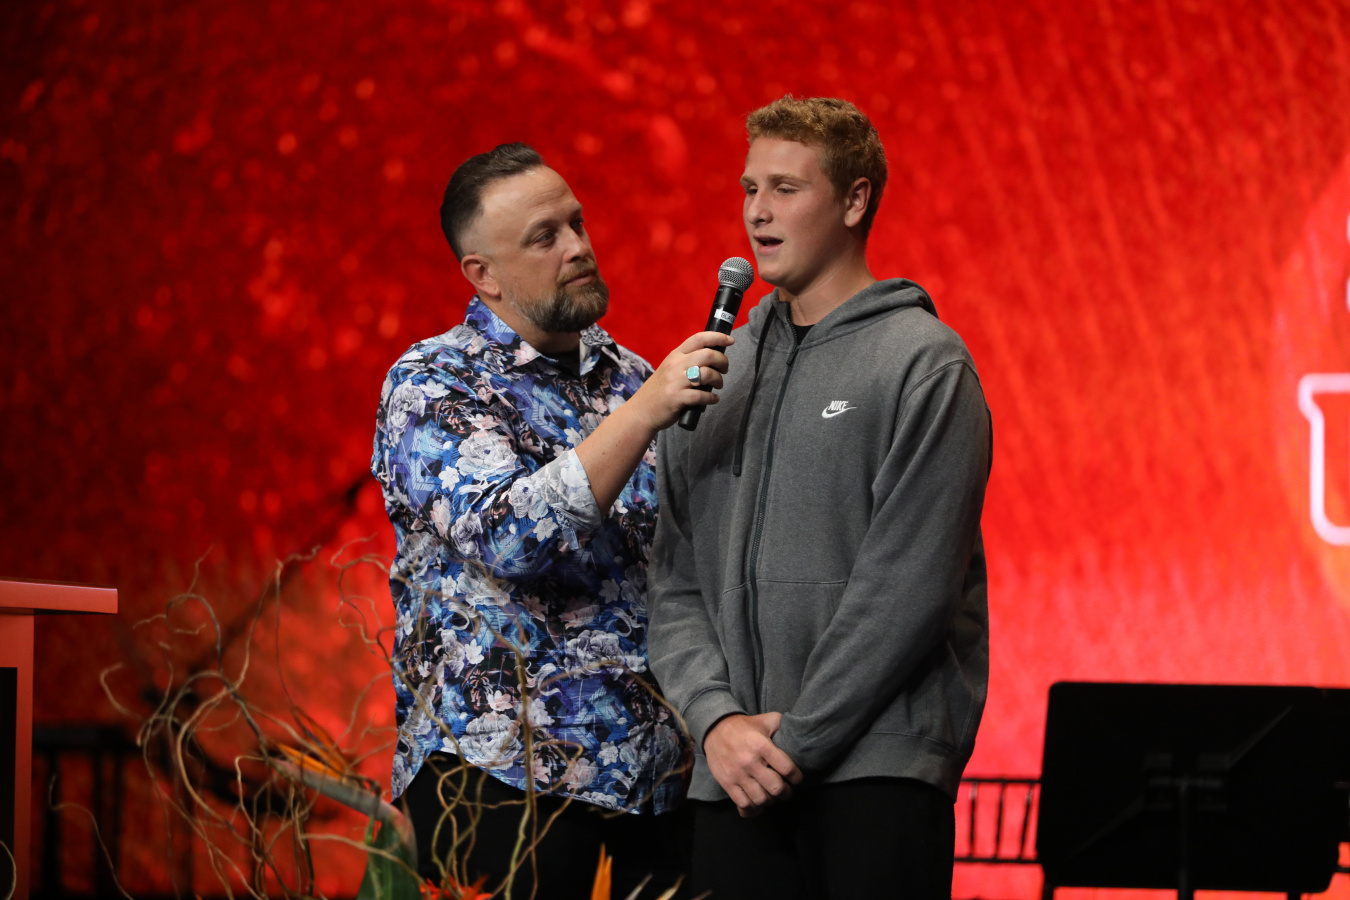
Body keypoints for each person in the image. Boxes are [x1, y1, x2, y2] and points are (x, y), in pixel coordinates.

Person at [648, 96, 993, 898]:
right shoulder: (712, 373)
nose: (757, 213)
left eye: (785, 189)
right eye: (749, 189)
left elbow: (907, 590)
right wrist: (716, 722)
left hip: (875, 773)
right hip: (733, 778)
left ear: (855, 200)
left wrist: (795, 743)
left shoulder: (922, 364)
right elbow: (674, 582)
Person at [371, 142, 731, 898]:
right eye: (545, 236)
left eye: (577, 223)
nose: (577, 247)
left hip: (653, 774)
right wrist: (644, 414)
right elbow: (509, 537)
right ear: (484, 274)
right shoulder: (431, 384)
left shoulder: (632, 378)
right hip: (501, 777)